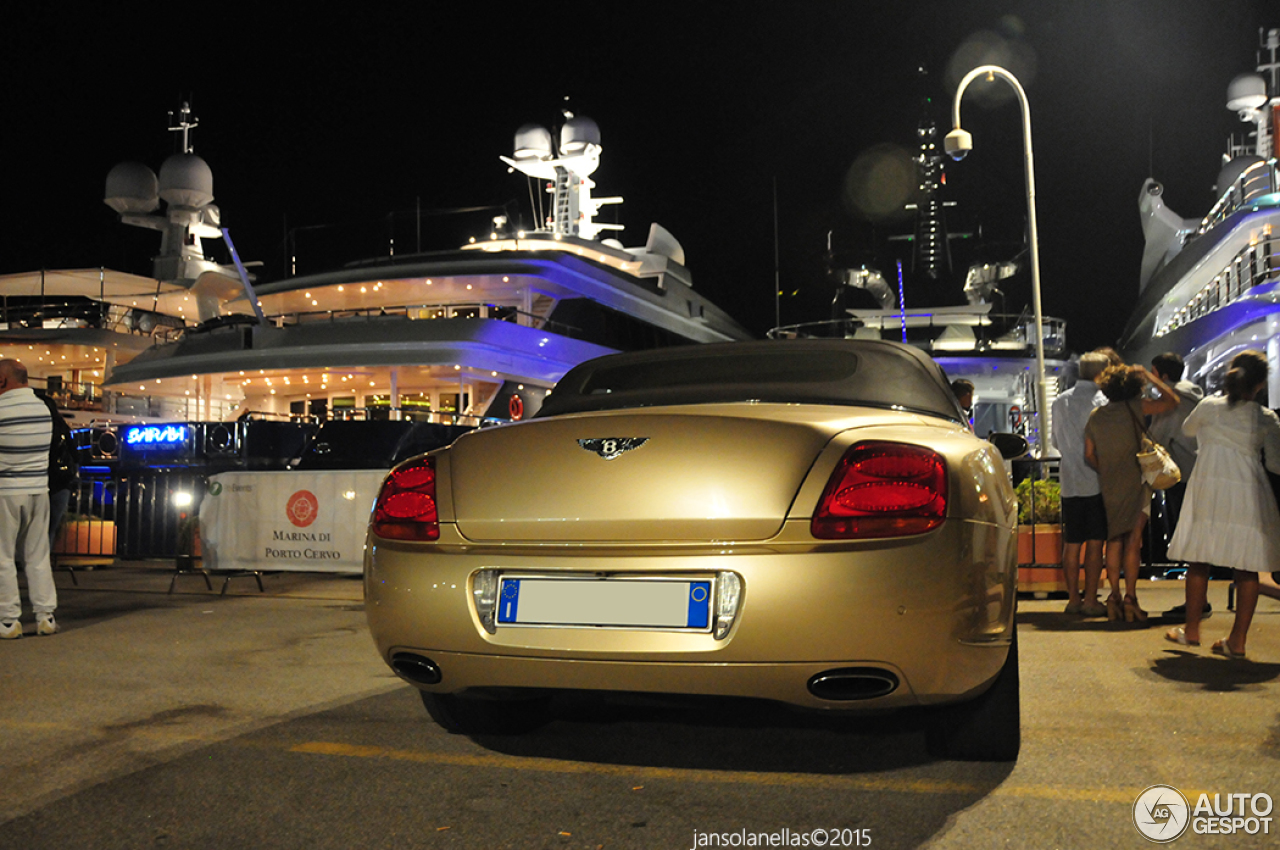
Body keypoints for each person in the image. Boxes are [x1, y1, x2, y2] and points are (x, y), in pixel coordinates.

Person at [1164, 351, 1280, 658]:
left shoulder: (1208, 406)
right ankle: (1237, 641)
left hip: (1209, 486)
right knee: (1247, 566)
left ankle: (1191, 631)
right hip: (1248, 490)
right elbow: (1277, 464)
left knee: (1199, 559)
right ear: (1258, 386)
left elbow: (1188, 430)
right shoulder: (1266, 417)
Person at [1084, 363, 1178, 623]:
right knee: (1134, 540)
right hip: (1136, 482)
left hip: (1110, 484)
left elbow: (1089, 454)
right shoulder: (1136, 407)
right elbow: (1172, 401)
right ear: (1134, 387)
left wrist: (1107, 469)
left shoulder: (1096, 416)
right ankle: (1130, 598)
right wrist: (1148, 375)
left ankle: (1113, 596)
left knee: (1114, 539)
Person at [1147, 352, 1206, 620]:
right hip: (1201, 471)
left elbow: (1156, 436)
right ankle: (1198, 600)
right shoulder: (1195, 396)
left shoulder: (1174, 402)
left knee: (1186, 539)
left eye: (1152, 374)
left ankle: (1196, 603)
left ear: (1163, 376)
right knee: (1196, 538)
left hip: (1181, 476)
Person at [0, 360, 57, 639]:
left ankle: (9, 621)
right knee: (37, 555)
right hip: (39, 489)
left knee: (3, 557)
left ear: (2, 380)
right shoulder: (42, 408)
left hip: (6, 491)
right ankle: (46, 616)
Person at [1050, 352, 1109, 615]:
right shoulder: (1103, 401)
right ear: (1103, 373)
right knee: (1096, 542)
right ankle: (1090, 600)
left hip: (1069, 479)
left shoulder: (1060, 401)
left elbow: (1054, 442)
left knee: (1072, 543)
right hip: (1096, 479)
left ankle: (1073, 599)